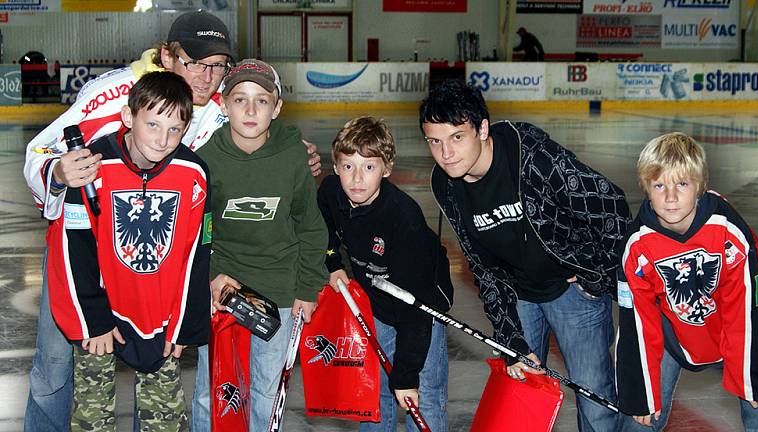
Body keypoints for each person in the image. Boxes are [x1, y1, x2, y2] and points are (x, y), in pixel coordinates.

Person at [22, 11, 321, 432]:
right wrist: (57, 172)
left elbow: (265, 131)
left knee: (159, 370)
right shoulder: (113, 95)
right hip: (83, 255)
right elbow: (39, 151)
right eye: (194, 62)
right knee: (57, 367)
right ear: (166, 55)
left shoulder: (221, 106)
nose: (205, 75)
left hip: (155, 269)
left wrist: (295, 149)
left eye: (217, 65)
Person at [419, 79, 630, 432]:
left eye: (457, 137)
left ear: (482, 129)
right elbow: (481, 265)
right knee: (519, 401)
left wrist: (597, 275)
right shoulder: (446, 184)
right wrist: (510, 338)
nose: (446, 153)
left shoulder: (531, 157)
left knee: (595, 403)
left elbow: (610, 206)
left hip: (571, 293)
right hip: (517, 295)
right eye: (435, 142)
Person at [46, 71, 211, 431]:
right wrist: (93, 319)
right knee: (92, 417)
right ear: (127, 117)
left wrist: (183, 326)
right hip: (101, 316)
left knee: (164, 418)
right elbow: (75, 249)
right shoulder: (92, 167)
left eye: (174, 129)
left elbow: (196, 255)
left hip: (162, 318)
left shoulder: (193, 173)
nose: (162, 139)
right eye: (152, 124)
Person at [615, 132, 758, 432]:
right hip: (671, 330)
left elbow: (747, 305)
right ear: (646, 187)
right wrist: (641, 395)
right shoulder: (637, 247)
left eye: (682, 184)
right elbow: (637, 324)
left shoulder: (727, 230)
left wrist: (749, 375)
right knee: (640, 419)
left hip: (735, 326)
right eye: (659, 185)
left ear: (700, 186)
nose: (670, 197)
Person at [191, 59, 328, 431]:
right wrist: (214, 274)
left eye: (262, 101)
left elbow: (310, 227)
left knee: (267, 392)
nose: (250, 111)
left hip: (280, 290)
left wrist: (307, 287)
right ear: (223, 104)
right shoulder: (205, 161)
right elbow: (200, 233)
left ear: (277, 107)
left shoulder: (293, 156)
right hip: (224, 292)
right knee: (212, 389)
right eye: (240, 100)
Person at [317, 116, 454, 432]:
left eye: (369, 167)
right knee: (374, 394)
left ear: (387, 169)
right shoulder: (331, 193)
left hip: (421, 308)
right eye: (348, 166)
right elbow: (321, 225)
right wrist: (333, 262)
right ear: (336, 167)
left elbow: (414, 311)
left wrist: (406, 376)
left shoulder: (403, 219)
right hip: (376, 302)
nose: (357, 179)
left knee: (423, 397)